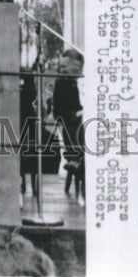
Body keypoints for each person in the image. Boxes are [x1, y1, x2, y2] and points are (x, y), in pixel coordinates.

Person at [52, 48, 85, 205]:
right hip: (69, 123)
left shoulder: (71, 83)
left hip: (72, 121)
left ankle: (78, 158)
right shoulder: (63, 83)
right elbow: (59, 110)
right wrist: (76, 114)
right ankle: (77, 159)